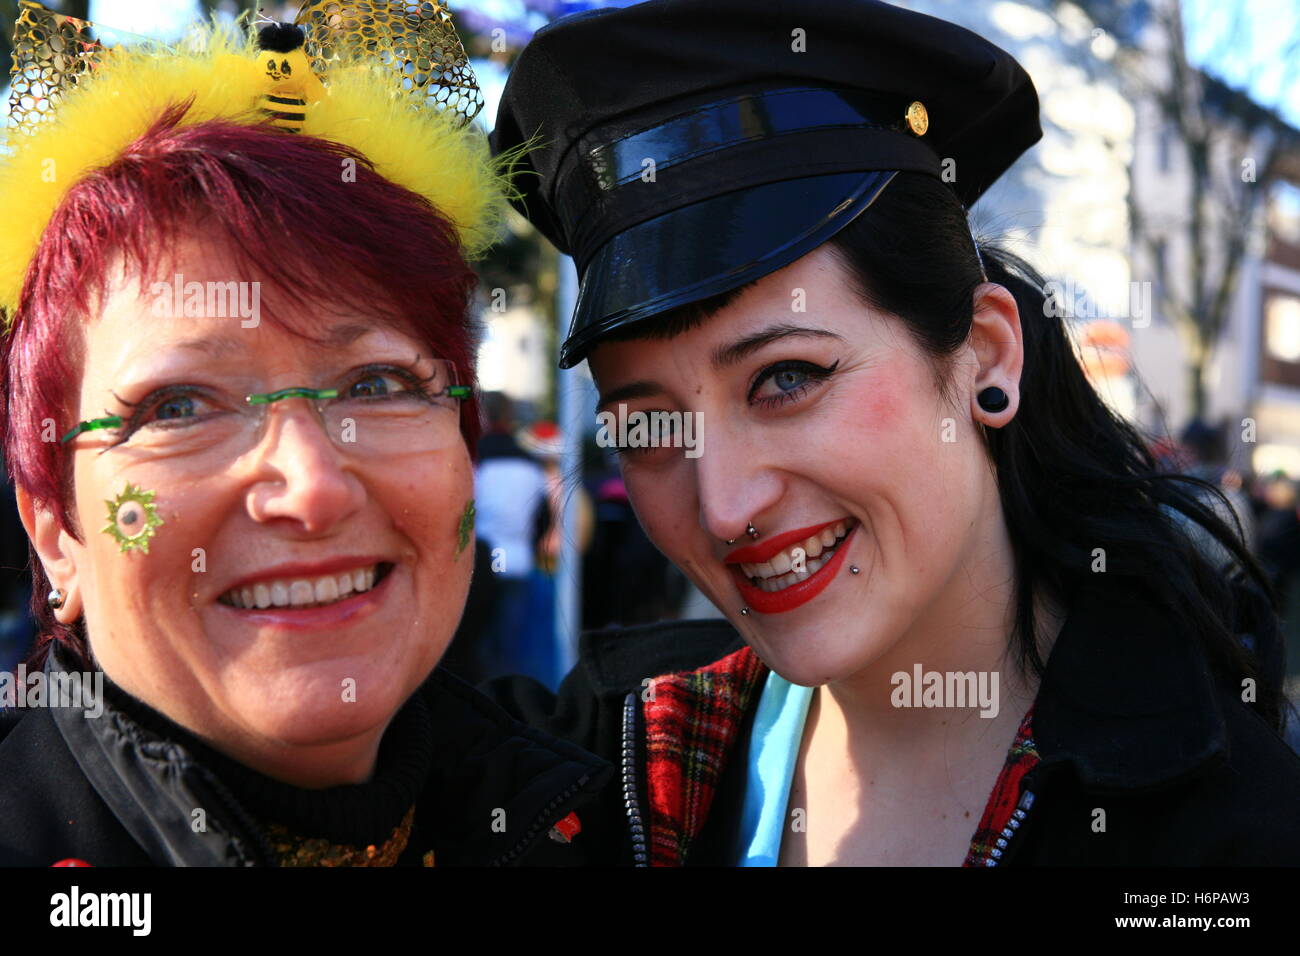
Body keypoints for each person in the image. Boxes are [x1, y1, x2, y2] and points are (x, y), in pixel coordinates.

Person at [487, 0, 1300, 865]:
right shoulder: (593, 775)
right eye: (649, 425)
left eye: (786, 379)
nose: (725, 507)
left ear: (987, 354)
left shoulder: (1226, 844)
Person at [0, 4, 608, 866]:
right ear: (56, 533)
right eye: (179, 407)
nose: (312, 483)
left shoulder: (621, 808)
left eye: (379, 384)